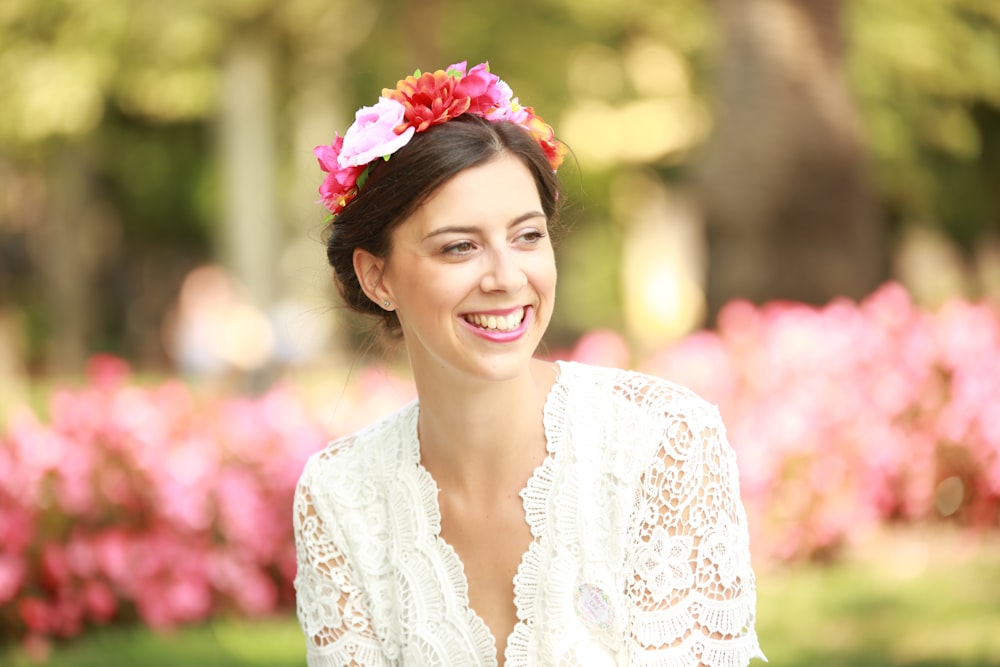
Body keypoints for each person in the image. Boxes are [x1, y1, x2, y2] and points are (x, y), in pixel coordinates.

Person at [293, 61, 766, 666]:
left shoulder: (662, 443)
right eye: (459, 246)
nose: (506, 277)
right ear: (377, 276)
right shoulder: (340, 496)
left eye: (527, 236)